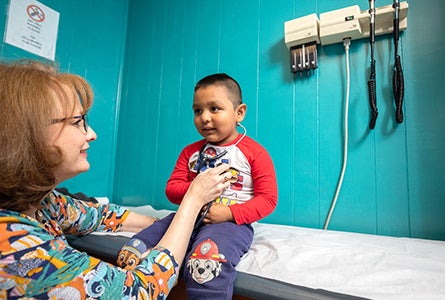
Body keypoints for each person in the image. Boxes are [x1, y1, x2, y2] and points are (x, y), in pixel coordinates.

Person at [0, 60, 231, 299]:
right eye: (78, 122)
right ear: (27, 136)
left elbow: (102, 215)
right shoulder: (16, 250)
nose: (91, 134)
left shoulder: (43, 204)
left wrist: (164, 224)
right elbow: (142, 290)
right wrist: (193, 200)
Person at [118, 73, 278, 299]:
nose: (204, 117)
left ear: (239, 112)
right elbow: (172, 189)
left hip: (229, 224)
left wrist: (229, 213)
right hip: (186, 217)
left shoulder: (255, 153)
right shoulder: (190, 152)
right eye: (197, 110)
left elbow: (268, 200)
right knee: (132, 250)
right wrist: (196, 190)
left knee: (204, 264)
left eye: (214, 109)